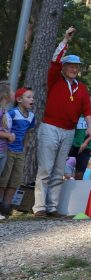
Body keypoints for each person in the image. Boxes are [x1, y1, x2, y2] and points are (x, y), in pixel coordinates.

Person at [33, 26, 91, 218]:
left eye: (77, 67)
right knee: (45, 168)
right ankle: (39, 208)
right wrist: (65, 41)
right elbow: (55, 60)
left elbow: (87, 110)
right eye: (71, 66)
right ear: (64, 68)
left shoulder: (81, 88)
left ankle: (52, 207)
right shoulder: (54, 79)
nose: (75, 69)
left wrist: (90, 126)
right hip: (50, 127)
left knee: (59, 170)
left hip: (68, 131)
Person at [0, 87, 35, 216]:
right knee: (4, 177)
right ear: (19, 100)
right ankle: (1, 204)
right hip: (8, 150)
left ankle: (6, 206)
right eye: (28, 97)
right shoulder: (12, 113)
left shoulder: (31, 116)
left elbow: (27, 133)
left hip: (20, 151)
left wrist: (24, 147)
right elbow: (5, 127)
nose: (32, 99)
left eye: (33, 97)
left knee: (15, 179)